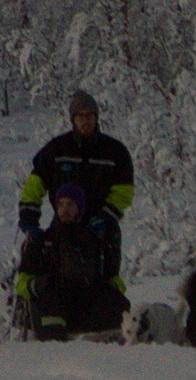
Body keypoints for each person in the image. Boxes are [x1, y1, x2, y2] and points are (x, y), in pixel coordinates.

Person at [12, 89, 137, 337]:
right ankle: (43, 330)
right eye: (80, 115)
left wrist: (105, 218)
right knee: (53, 278)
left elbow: (124, 192)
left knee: (106, 283)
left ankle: (105, 333)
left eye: (89, 115)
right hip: (64, 225)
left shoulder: (115, 152)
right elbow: (34, 186)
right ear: (72, 118)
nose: (85, 120)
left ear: (97, 117)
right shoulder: (56, 150)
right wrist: (29, 219)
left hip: (101, 228)